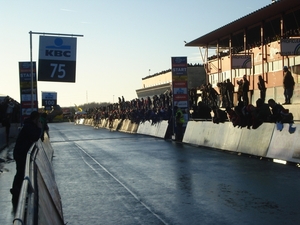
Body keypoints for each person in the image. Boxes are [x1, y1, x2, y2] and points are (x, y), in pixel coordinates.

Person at [10, 111, 42, 208]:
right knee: (20, 171)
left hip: (20, 152)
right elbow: (35, 136)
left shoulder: (28, 125)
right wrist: (40, 128)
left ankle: (17, 189)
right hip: (21, 153)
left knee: (20, 171)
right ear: (35, 119)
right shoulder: (29, 126)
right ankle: (16, 190)